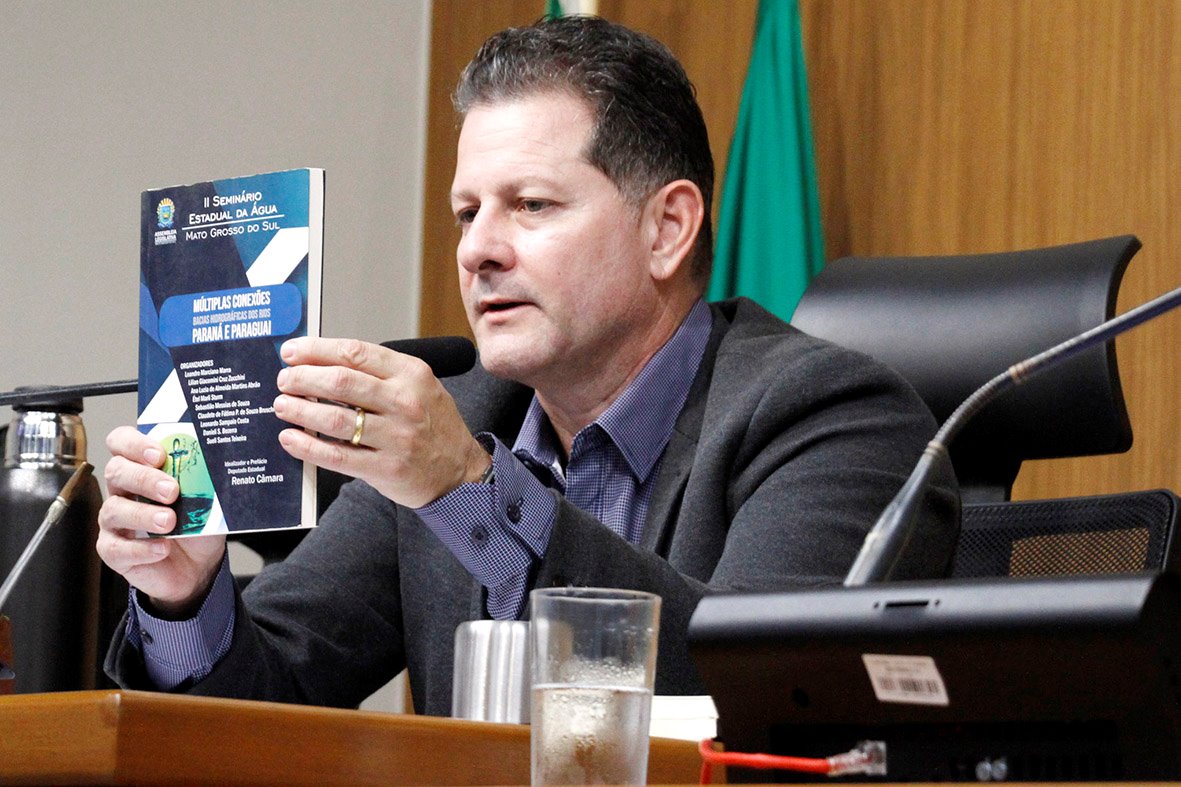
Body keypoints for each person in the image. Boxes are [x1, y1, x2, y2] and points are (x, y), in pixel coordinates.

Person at [98, 15, 958, 715]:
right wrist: (183, 596)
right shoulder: (466, 422)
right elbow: (265, 709)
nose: (477, 250)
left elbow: (766, 695)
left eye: (531, 204)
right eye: (466, 212)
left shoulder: (834, 416)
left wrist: (469, 491)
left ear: (667, 229)